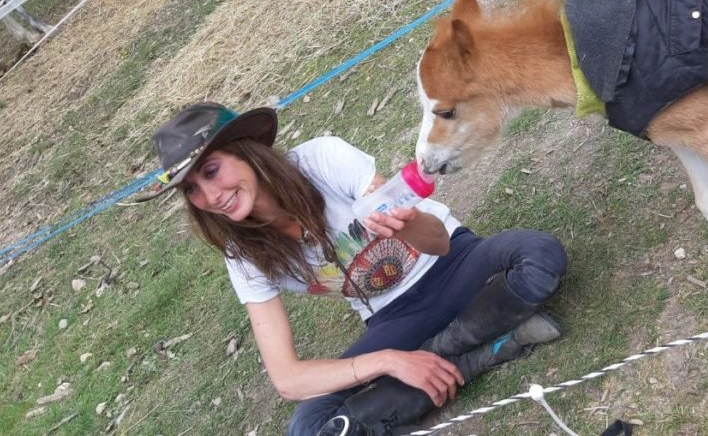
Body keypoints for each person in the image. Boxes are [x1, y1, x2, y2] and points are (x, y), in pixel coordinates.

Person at [135, 102, 568, 436]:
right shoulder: (242, 253)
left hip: (454, 263)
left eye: (212, 170)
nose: (212, 195)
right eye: (193, 189)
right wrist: (389, 360)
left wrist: (406, 221)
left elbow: (436, 241)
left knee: (539, 256)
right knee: (308, 426)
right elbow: (288, 379)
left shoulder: (322, 159)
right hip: (395, 320)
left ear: (247, 153)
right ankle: (483, 351)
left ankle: (448, 353)